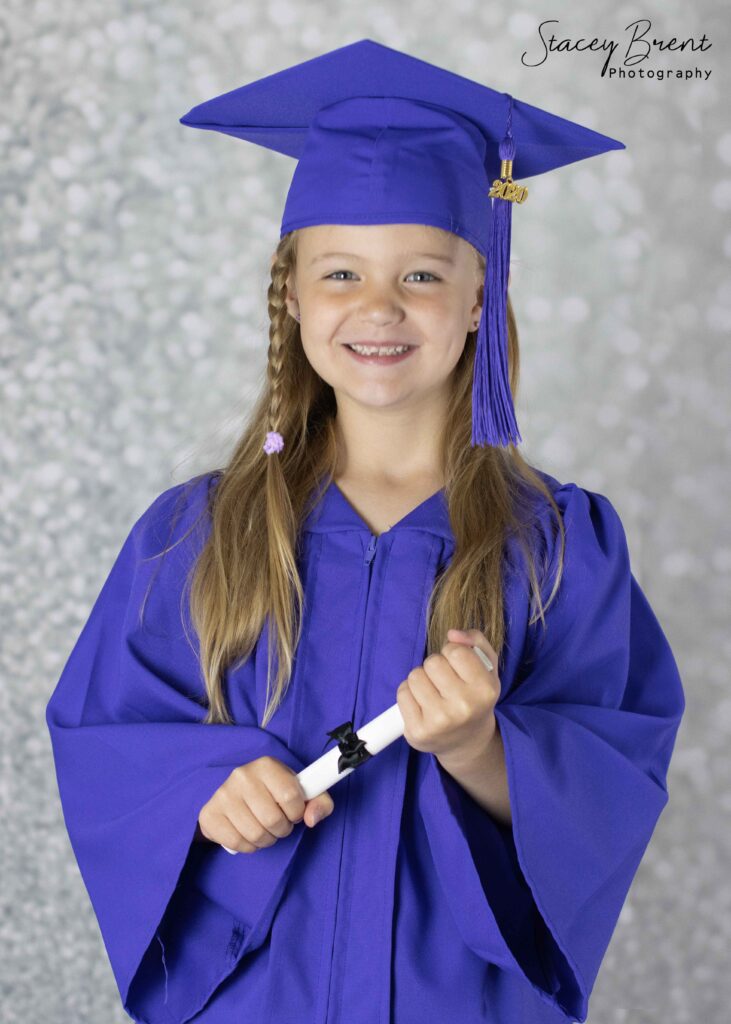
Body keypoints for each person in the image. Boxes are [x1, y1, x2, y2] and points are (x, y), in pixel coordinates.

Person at [45, 39, 685, 1024]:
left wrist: (478, 744)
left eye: (423, 275)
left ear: (479, 295)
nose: (379, 306)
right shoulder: (197, 534)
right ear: (290, 295)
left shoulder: (559, 547)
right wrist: (204, 790)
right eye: (340, 272)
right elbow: (108, 739)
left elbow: (609, 778)